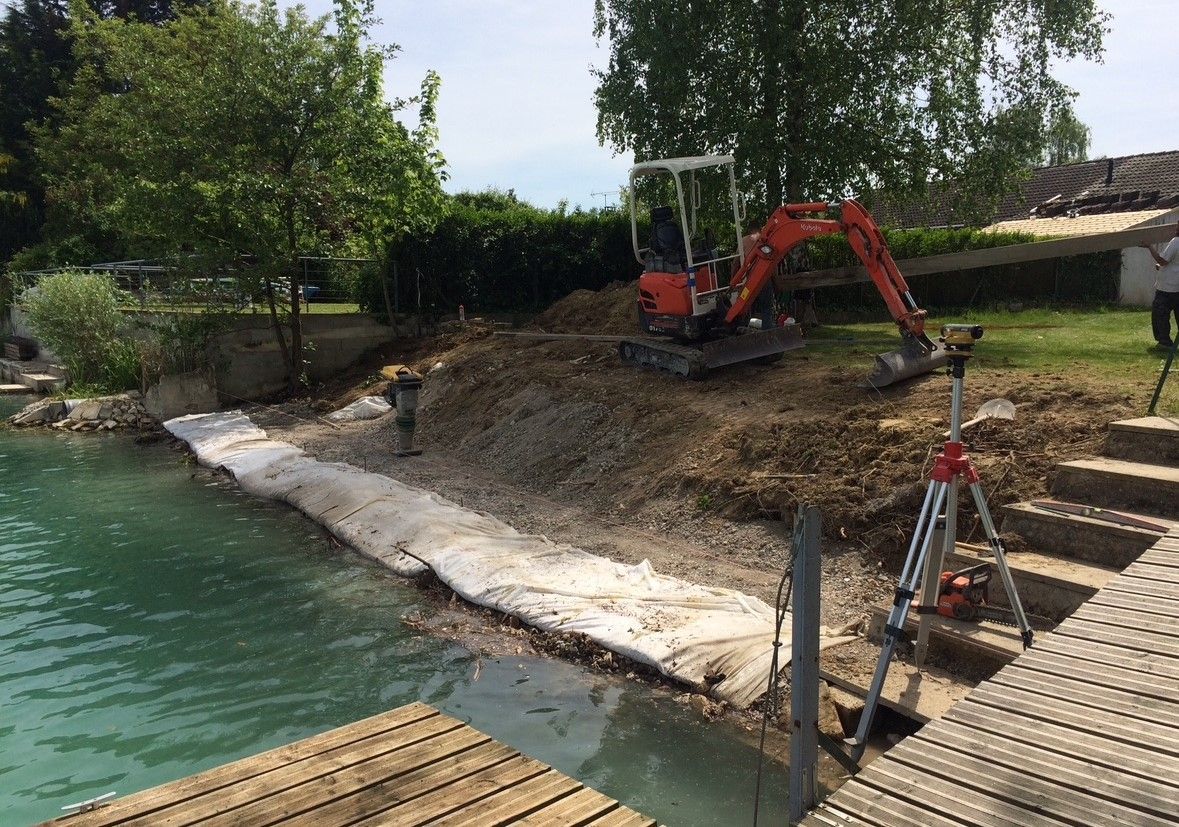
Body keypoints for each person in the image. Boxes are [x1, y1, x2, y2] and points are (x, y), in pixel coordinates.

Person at [1142, 221, 1179, 349]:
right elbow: (1173, 263)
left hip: (1167, 287)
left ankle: (1164, 342)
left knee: (1160, 315)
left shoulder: (1176, 242)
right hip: (1176, 286)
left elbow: (1162, 260)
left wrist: (1149, 247)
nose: (1176, 227)